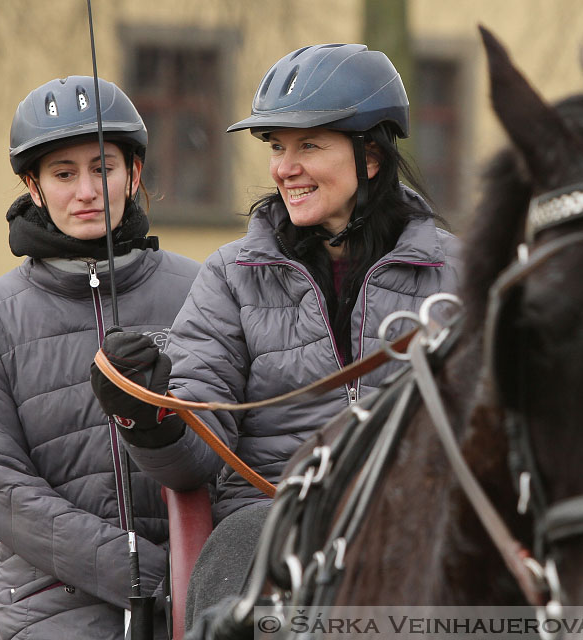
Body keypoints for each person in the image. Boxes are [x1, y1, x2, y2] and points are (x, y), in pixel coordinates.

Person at [89, 43, 461, 620]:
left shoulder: (458, 273)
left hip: (425, 518)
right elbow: (194, 458)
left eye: (308, 145)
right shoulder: (231, 277)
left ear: (370, 157)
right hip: (272, 519)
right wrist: (145, 417)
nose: (284, 168)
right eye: (277, 147)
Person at [0, 76, 200, 640]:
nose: (86, 190)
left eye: (102, 168)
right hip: (47, 611)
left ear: (133, 174)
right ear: (33, 187)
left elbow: (233, 443)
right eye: (64, 174)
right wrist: (132, 567)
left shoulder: (202, 291)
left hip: (194, 602)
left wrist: (200, 577)